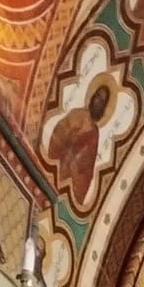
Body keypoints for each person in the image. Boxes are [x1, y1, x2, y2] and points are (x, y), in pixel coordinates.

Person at [46, 80, 112, 210]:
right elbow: (58, 132)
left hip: (72, 176)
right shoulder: (78, 114)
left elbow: (88, 170)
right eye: (98, 96)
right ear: (92, 97)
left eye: (102, 101)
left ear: (103, 107)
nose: (98, 101)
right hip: (60, 164)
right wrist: (70, 141)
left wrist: (77, 169)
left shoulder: (95, 133)